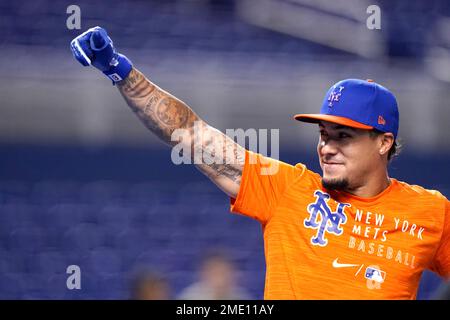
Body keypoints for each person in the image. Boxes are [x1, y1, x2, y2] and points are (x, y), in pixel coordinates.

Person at [70, 27, 449, 299]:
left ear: (384, 142)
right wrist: (120, 70)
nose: (327, 148)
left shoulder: (431, 213)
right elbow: (191, 134)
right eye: (324, 135)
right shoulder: (287, 189)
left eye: (344, 137)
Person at [178, 249, 251, 300]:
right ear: (205, 274)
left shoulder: (240, 296)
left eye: (224, 273)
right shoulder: (190, 297)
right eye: (216, 273)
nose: (221, 279)